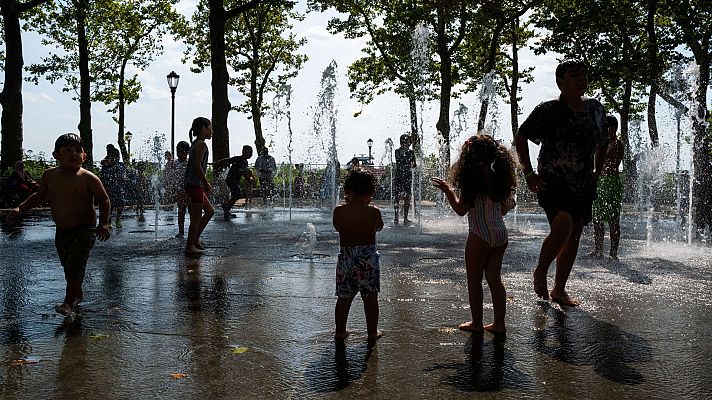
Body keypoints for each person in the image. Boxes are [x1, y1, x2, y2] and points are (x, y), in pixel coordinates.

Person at [515, 59, 609, 307]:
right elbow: (521, 136)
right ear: (559, 81)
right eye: (573, 75)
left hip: (582, 181)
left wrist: (597, 173)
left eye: (584, 75)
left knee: (575, 233)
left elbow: (603, 143)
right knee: (563, 225)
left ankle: (559, 289)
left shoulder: (595, 109)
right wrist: (528, 173)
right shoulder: (548, 110)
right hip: (552, 180)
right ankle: (541, 271)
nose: (581, 80)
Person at [5, 133, 110, 317]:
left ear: (84, 156)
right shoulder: (50, 175)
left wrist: (104, 223)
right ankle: (77, 293)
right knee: (67, 265)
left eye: (78, 151)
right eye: (68, 150)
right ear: (56, 155)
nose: (74, 154)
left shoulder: (88, 178)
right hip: (62, 231)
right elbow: (39, 196)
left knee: (76, 265)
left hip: (85, 230)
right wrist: (20, 209)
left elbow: (104, 199)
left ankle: (68, 303)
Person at [432, 134, 517, 336]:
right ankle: (499, 324)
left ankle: (477, 323)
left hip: (479, 234)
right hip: (500, 234)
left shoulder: (472, 180)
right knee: (495, 279)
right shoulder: (499, 179)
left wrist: (447, 190)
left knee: (474, 279)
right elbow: (504, 209)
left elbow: (461, 210)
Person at [332, 168, 384, 342]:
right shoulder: (373, 212)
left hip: (346, 258)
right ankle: (372, 332)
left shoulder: (339, 211)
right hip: (367, 259)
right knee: (370, 298)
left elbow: (338, 227)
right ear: (370, 192)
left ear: (347, 190)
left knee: (344, 298)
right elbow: (379, 227)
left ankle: (340, 332)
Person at [591, 115, 625, 259]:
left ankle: (613, 253)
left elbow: (607, 164)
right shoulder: (603, 143)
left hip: (611, 183)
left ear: (613, 129)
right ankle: (598, 251)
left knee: (612, 219)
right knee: (597, 218)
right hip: (599, 183)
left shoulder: (617, 144)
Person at [184, 117, 215, 255]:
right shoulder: (201, 145)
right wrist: (206, 182)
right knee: (196, 218)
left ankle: (195, 239)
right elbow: (197, 166)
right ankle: (189, 246)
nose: (212, 131)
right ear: (204, 128)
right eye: (210, 128)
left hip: (192, 184)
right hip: (196, 184)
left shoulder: (195, 143)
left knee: (210, 211)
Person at [214, 145, 253, 220]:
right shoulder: (238, 159)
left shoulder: (245, 161)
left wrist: (248, 178)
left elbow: (243, 172)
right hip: (231, 179)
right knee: (238, 194)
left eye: (252, 152)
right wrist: (215, 163)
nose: (251, 154)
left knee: (236, 195)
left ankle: (226, 209)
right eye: (250, 152)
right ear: (244, 151)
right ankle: (226, 206)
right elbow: (227, 160)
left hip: (235, 180)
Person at [100, 145, 126, 229]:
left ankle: (116, 219)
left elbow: (122, 175)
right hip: (111, 186)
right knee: (111, 204)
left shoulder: (119, 165)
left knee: (119, 203)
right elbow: (102, 176)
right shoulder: (106, 165)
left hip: (117, 186)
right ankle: (111, 220)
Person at [169, 141, 191, 238]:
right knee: (181, 211)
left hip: (190, 190)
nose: (181, 154)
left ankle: (192, 230)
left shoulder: (190, 163)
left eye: (183, 152)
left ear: (188, 152)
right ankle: (181, 231)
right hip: (180, 191)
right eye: (179, 152)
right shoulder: (175, 163)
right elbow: (170, 177)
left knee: (191, 212)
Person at [393, 134, 416, 224]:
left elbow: (413, 164)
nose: (408, 144)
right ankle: (401, 218)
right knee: (402, 197)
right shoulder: (407, 152)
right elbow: (413, 164)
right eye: (407, 142)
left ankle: (399, 217)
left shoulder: (399, 151)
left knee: (400, 196)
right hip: (404, 175)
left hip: (402, 175)